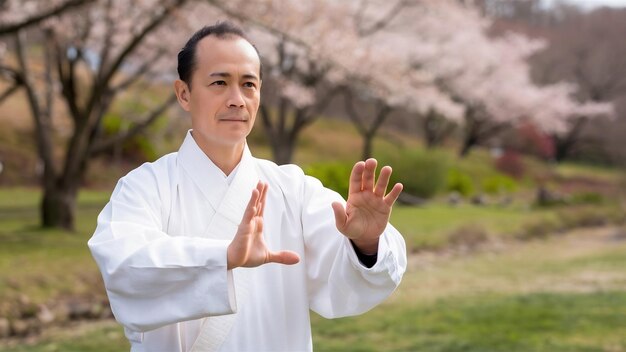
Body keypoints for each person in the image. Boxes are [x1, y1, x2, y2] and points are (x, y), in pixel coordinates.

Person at [88, 21, 407, 352]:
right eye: (219, 82)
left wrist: (366, 243)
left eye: (249, 84)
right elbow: (124, 269)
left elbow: (352, 280)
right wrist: (223, 258)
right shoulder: (145, 187)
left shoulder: (292, 189)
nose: (237, 100)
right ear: (184, 94)